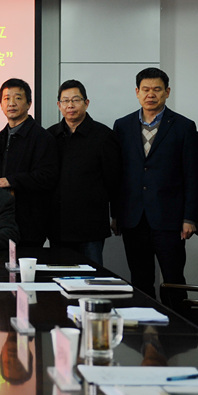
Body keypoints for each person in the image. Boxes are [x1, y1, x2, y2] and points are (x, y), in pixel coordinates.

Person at [113, 68, 198, 308]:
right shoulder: (122, 126)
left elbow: (193, 175)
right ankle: (145, 326)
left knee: (173, 281)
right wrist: (116, 214)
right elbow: (118, 174)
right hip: (134, 218)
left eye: (156, 89)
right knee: (140, 279)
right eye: (145, 89)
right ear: (137, 92)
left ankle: (179, 326)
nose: (150, 94)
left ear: (167, 92)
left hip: (170, 219)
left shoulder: (184, 126)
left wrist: (190, 217)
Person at [46, 79, 121, 265]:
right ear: (59, 105)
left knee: (91, 277)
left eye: (75, 100)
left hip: (91, 226)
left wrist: (116, 215)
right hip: (58, 225)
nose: (70, 105)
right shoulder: (50, 136)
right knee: (60, 276)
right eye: (65, 101)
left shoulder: (104, 136)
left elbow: (114, 180)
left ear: (86, 103)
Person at [0, 78, 58, 247]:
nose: (11, 103)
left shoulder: (42, 137)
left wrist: (11, 181)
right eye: (6, 98)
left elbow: (47, 177)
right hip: (1, 221)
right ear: (0, 104)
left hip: (30, 221)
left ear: (29, 104)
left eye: (18, 98)